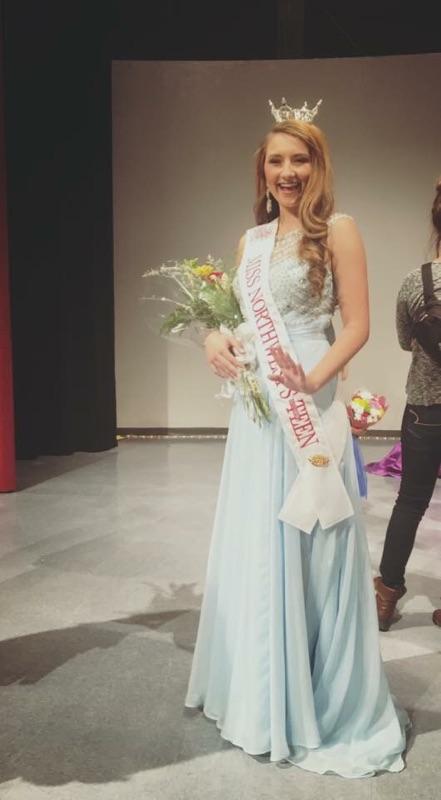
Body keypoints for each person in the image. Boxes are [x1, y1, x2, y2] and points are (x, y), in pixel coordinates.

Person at [185, 102, 408, 777]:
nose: (287, 171)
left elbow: (358, 325)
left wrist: (310, 378)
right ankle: (262, 691)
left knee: (314, 534)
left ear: (318, 166)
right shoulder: (250, 243)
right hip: (257, 410)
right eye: (276, 160)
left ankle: (319, 696)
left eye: (299, 159)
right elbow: (230, 319)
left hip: (309, 396)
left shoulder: (339, 230)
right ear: (262, 170)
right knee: (260, 534)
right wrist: (212, 338)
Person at [374, 178, 441, 631]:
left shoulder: (415, 282)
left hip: (424, 408)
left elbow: (404, 340)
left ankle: (387, 593)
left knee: (411, 501)